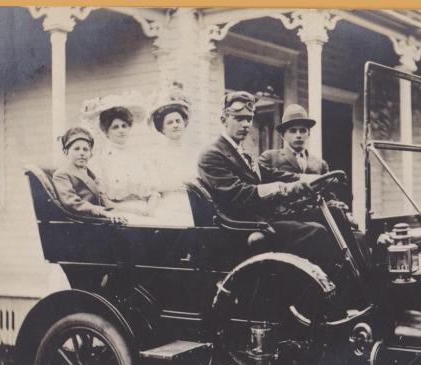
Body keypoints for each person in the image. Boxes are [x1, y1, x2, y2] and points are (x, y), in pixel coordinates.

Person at [198, 91, 336, 270]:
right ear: (224, 120)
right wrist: (285, 188)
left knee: (330, 213)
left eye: (249, 119)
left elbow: (270, 173)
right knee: (316, 231)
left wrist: (311, 179)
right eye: (239, 119)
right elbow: (239, 192)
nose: (246, 124)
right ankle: (317, 287)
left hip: (261, 219)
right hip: (244, 227)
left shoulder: (241, 151)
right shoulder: (212, 154)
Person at [89, 104, 160, 217]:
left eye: (124, 125)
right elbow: (104, 201)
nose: (121, 130)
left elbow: (155, 193)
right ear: (106, 131)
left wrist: (149, 210)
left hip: (147, 211)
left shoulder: (141, 156)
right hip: (119, 214)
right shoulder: (101, 160)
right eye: (115, 127)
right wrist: (133, 212)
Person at [51, 127, 125, 224]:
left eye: (85, 149)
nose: (82, 153)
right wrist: (103, 212)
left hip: (99, 220)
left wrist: (126, 211)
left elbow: (104, 201)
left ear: (90, 154)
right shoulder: (62, 174)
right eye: (76, 149)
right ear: (66, 151)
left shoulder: (91, 174)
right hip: (83, 223)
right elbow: (73, 203)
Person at [147, 84, 197, 227]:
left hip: (193, 201)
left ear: (184, 123)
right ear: (162, 128)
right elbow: (154, 185)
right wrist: (178, 184)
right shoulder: (156, 154)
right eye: (169, 123)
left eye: (178, 121)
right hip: (169, 203)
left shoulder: (193, 152)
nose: (175, 125)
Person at [258, 103, 328, 177]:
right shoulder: (270, 158)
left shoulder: (320, 164)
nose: (298, 135)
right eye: (293, 131)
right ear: (283, 135)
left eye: (303, 131)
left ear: (308, 134)